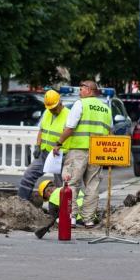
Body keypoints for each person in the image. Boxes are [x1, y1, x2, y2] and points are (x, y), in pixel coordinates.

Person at [53, 80, 112, 228]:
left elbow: (70, 128)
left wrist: (59, 143)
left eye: (82, 88)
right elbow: (110, 131)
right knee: (93, 185)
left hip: (79, 150)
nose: (79, 91)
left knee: (72, 183)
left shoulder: (80, 104)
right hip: (97, 152)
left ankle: (70, 217)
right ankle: (88, 219)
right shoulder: (106, 108)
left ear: (90, 90)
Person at [18, 90, 70, 201]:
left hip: (59, 155)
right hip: (45, 152)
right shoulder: (47, 112)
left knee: (61, 185)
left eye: (54, 108)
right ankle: (21, 202)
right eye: (50, 108)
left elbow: (69, 134)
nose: (52, 111)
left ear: (60, 103)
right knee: (29, 175)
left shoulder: (68, 115)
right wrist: (38, 145)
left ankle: (61, 210)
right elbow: (41, 130)